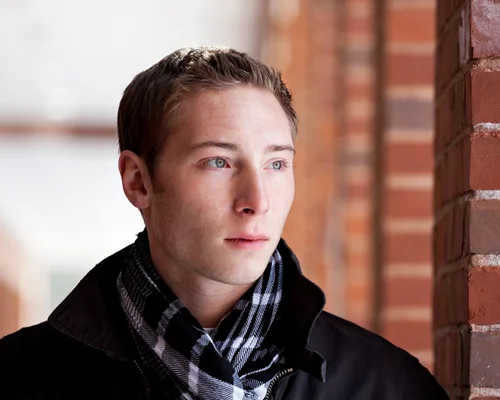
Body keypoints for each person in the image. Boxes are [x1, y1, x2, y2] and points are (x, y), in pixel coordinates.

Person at [0, 47, 448, 400]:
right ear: (139, 182)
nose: (257, 202)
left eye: (276, 164)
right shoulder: (20, 379)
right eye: (218, 161)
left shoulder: (388, 385)